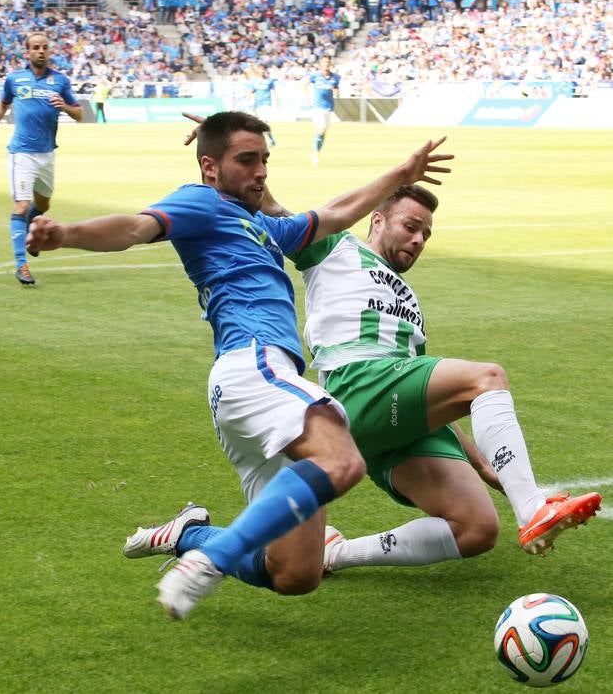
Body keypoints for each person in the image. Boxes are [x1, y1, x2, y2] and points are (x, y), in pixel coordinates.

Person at [27, 112, 453, 620]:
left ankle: (193, 535)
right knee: (342, 460)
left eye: (265, 160)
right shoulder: (202, 201)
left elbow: (337, 213)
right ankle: (213, 560)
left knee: (296, 573)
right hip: (255, 367)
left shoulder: (268, 227)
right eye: (247, 160)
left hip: (252, 387)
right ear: (211, 166)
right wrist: (66, 233)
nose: (261, 171)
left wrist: (400, 174)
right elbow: (135, 228)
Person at [286, 184, 601, 571]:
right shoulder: (335, 248)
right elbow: (271, 209)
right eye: (411, 226)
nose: (418, 240)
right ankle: (533, 508)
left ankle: (334, 553)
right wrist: (221, 154)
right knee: (488, 377)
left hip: (390, 406)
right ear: (378, 219)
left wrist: (486, 467)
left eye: (426, 234)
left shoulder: (408, 300)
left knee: (477, 529)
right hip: (357, 384)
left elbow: (431, 401)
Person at [0, 32, 82, 285]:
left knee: (42, 206)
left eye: (45, 47)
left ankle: (29, 233)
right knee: (21, 207)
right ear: (27, 52)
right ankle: (21, 265)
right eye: (36, 47)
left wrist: (64, 107)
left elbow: (79, 114)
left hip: (47, 154)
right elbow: (3, 105)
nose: (41, 51)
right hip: (22, 153)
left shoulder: (60, 81)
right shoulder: (14, 79)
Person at [309, 55, 340, 166]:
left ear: (330, 64)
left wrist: (337, 92)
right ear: (321, 64)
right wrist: (306, 96)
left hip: (329, 107)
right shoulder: (314, 76)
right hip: (317, 107)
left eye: (328, 62)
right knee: (321, 128)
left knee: (323, 132)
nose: (326, 64)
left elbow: (336, 88)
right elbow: (305, 83)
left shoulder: (335, 77)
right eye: (324, 62)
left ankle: (316, 151)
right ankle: (315, 154)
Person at [247, 66, 277, 147]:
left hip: (266, 103)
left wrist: (277, 102)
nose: (262, 73)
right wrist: (248, 101)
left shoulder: (270, 81)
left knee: (264, 122)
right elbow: (251, 92)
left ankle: (266, 141)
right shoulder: (255, 82)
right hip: (257, 105)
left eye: (263, 71)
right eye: (260, 71)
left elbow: (274, 91)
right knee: (260, 124)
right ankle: (271, 139)